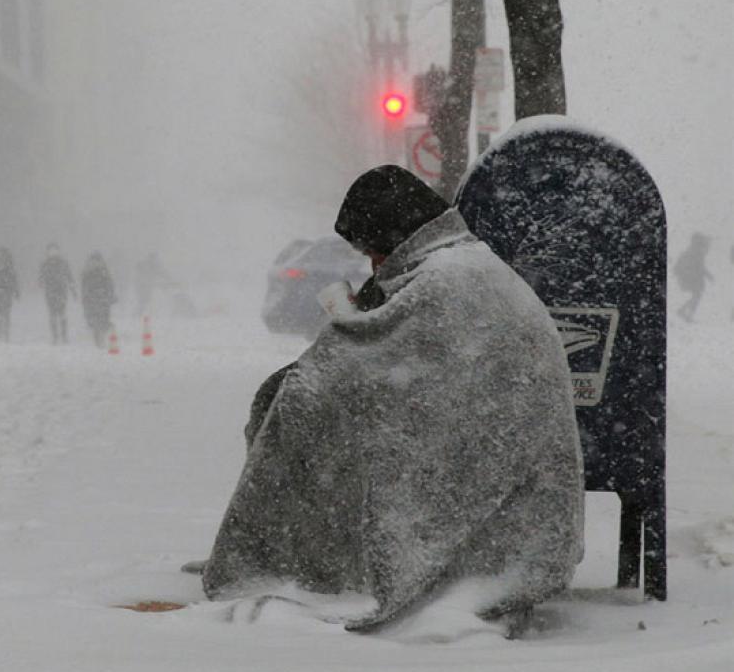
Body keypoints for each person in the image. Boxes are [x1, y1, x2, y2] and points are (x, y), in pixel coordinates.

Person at [202, 165, 584, 633]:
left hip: (502, 493)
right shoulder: (458, 264)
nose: (373, 265)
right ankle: (302, 557)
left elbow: (362, 371)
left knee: (299, 406)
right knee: (286, 397)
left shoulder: (448, 281)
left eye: (375, 251)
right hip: (502, 462)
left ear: (396, 236)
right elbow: (402, 364)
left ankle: (299, 563)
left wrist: (330, 356)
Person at [38, 243, 76, 344]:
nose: (53, 253)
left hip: (55, 292)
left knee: (56, 314)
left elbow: (69, 277)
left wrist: (73, 290)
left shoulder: (48, 264)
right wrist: (73, 290)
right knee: (58, 314)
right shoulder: (60, 263)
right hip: (57, 292)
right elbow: (70, 277)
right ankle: (60, 336)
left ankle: (59, 337)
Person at [673, 232, 713, 322]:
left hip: (690, 278)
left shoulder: (691, 251)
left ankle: (683, 311)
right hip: (693, 278)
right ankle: (686, 314)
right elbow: (700, 266)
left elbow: (699, 266)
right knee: (697, 295)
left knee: (697, 295)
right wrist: (708, 275)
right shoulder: (697, 252)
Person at [80, 252, 118, 347]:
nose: (96, 263)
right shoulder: (93, 272)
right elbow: (109, 284)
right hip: (97, 298)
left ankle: (101, 334)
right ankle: (100, 337)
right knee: (98, 319)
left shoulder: (99, 271)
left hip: (99, 298)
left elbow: (109, 285)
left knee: (99, 319)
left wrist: (111, 295)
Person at [0, 247, 21, 342]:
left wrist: (16, 291)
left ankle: (5, 333)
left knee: (6, 313)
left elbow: (14, 280)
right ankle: (0, 333)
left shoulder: (9, 268)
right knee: (0, 312)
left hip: (7, 292)